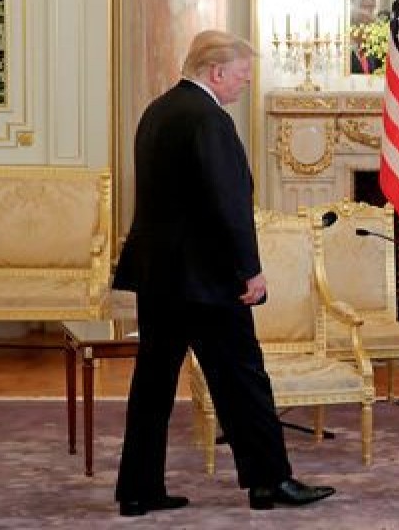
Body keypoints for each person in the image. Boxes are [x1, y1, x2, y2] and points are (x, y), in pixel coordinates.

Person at [112, 29, 335, 516]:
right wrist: (250, 271)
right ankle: (271, 482)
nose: (244, 85)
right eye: (242, 76)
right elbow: (228, 203)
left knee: (151, 385)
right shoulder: (209, 120)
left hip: (158, 279)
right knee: (243, 381)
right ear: (216, 72)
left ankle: (137, 490)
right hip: (207, 284)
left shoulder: (156, 112)